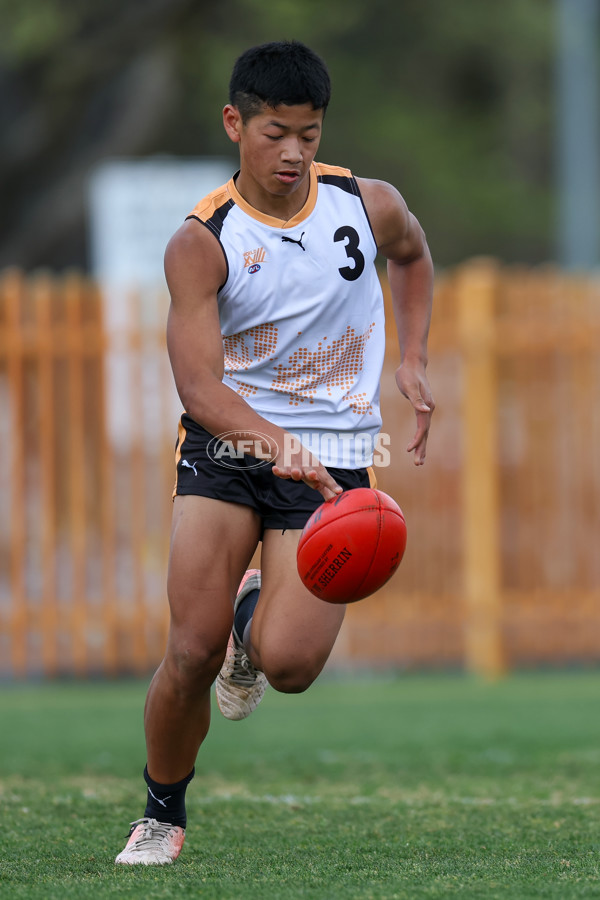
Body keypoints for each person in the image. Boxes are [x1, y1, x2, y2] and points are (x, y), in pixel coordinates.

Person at [115, 39, 434, 866]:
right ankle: (160, 812)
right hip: (226, 449)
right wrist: (274, 443)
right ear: (235, 123)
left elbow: (413, 254)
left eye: (310, 134)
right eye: (274, 133)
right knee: (189, 648)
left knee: (290, 667)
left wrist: (412, 358)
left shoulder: (367, 205)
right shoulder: (203, 241)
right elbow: (199, 390)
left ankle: (252, 625)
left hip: (332, 453)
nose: (293, 152)